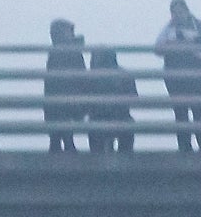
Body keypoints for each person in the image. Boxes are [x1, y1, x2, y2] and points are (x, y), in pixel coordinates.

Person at [155, 0, 201, 154]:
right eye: (174, 12)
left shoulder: (198, 25)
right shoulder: (168, 28)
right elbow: (158, 47)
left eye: (180, 11)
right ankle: (185, 148)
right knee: (180, 112)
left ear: (186, 11)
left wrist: (189, 40)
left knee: (199, 110)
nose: (177, 15)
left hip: (196, 74)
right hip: (175, 76)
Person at [77, 21, 137, 153]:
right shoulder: (124, 74)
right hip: (121, 118)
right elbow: (134, 97)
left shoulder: (90, 77)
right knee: (125, 150)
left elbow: (83, 102)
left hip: (100, 120)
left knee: (97, 153)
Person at [43, 14, 86, 153]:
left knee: (60, 114)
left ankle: (62, 143)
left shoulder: (63, 51)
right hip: (62, 92)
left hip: (64, 92)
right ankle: (62, 143)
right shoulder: (67, 50)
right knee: (59, 114)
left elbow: (80, 73)